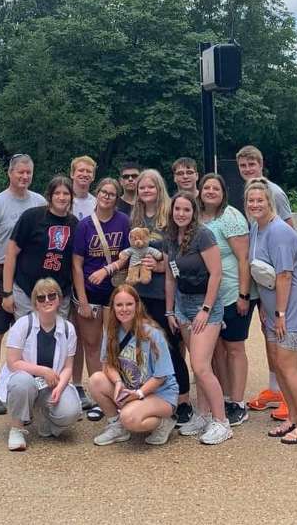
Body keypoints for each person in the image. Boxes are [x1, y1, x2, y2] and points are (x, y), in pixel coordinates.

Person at [246, 180, 297, 445]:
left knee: (289, 366)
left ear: (270, 202)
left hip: (295, 304)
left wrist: (279, 313)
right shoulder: (257, 228)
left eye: (260, 200)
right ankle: (292, 416)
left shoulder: (278, 232)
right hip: (275, 307)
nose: (255, 205)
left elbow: (284, 275)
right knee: (279, 364)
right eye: (251, 201)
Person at [125, 170, 193, 425]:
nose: (145, 191)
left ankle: (183, 400)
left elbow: (178, 255)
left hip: (164, 293)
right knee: (146, 347)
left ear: (159, 188)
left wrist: (161, 267)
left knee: (172, 348)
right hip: (140, 294)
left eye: (150, 187)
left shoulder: (169, 217)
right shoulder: (136, 217)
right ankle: (153, 396)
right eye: (142, 187)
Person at [0, 153, 45, 415]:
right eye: (20, 172)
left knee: (30, 334)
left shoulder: (39, 201)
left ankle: (28, 385)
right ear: (10, 173)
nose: (24, 177)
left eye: (28, 172)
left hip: (28, 276)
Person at [164, 192, 231, 445]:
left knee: (202, 366)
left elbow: (216, 274)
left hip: (206, 306)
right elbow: (171, 277)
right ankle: (202, 415)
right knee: (197, 366)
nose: (181, 213)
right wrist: (170, 310)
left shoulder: (203, 235)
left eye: (186, 210)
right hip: (183, 305)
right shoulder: (171, 238)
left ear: (193, 212)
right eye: (177, 209)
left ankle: (221, 421)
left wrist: (205, 308)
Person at [236, 145, 296, 418]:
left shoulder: (274, 193)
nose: (248, 170)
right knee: (268, 333)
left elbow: (288, 233)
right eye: (243, 166)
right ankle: (275, 388)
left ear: (261, 164)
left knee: (283, 337)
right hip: (263, 280)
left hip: (278, 277)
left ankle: (289, 394)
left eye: (252, 165)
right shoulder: (250, 196)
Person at [0, 278, 81, 451]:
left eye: (52, 296)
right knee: (22, 383)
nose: (47, 301)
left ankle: (46, 419)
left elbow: (68, 366)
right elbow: (13, 363)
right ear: (35, 302)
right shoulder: (22, 325)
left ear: (59, 299)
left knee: (70, 412)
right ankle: (17, 428)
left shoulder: (68, 329)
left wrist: (60, 387)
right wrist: (43, 371)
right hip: (26, 380)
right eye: (41, 298)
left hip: (51, 384)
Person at [90, 285, 179, 446]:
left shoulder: (152, 333)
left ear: (137, 305)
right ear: (113, 307)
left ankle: (163, 423)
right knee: (96, 380)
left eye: (129, 304)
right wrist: (117, 382)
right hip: (130, 387)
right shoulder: (111, 331)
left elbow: (161, 376)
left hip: (160, 394)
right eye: (119, 305)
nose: (124, 309)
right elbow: (107, 364)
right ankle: (117, 427)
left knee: (129, 418)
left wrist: (138, 394)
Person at [197, 174, 253, 427]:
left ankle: (238, 403)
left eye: (215, 188)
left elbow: (243, 258)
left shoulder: (231, 217)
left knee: (234, 348)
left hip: (231, 293)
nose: (210, 191)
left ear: (223, 192)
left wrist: (244, 294)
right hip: (209, 296)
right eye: (206, 187)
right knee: (216, 350)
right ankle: (225, 396)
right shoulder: (197, 217)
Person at [72, 178, 131, 419]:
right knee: (92, 344)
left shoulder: (123, 221)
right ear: (97, 195)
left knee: (115, 342)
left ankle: (119, 388)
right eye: (104, 193)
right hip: (89, 291)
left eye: (112, 194)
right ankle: (99, 395)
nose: (107, 197)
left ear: (117, 198)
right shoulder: (84, 225)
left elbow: (128, 255)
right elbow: (77, 265)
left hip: (115, 290)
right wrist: (83, 300)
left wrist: (108, 270)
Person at [2, 175, 78, 319]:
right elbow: (11, 253)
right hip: (27, 292)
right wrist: (7, 293)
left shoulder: (75, 224)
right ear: (49, 195)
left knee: (57, 338)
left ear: (72, 197)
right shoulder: (31, 217)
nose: (61, 197)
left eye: (66, 193)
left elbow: (75, 263)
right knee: (27, 337)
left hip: (59, 295)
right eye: (57, 193)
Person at [70, 155, 97, 221]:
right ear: (72, 174)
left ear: (93, 177)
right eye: (81, 170)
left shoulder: (97, 204)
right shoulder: (61, 200)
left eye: (89, 171)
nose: (85, 174)